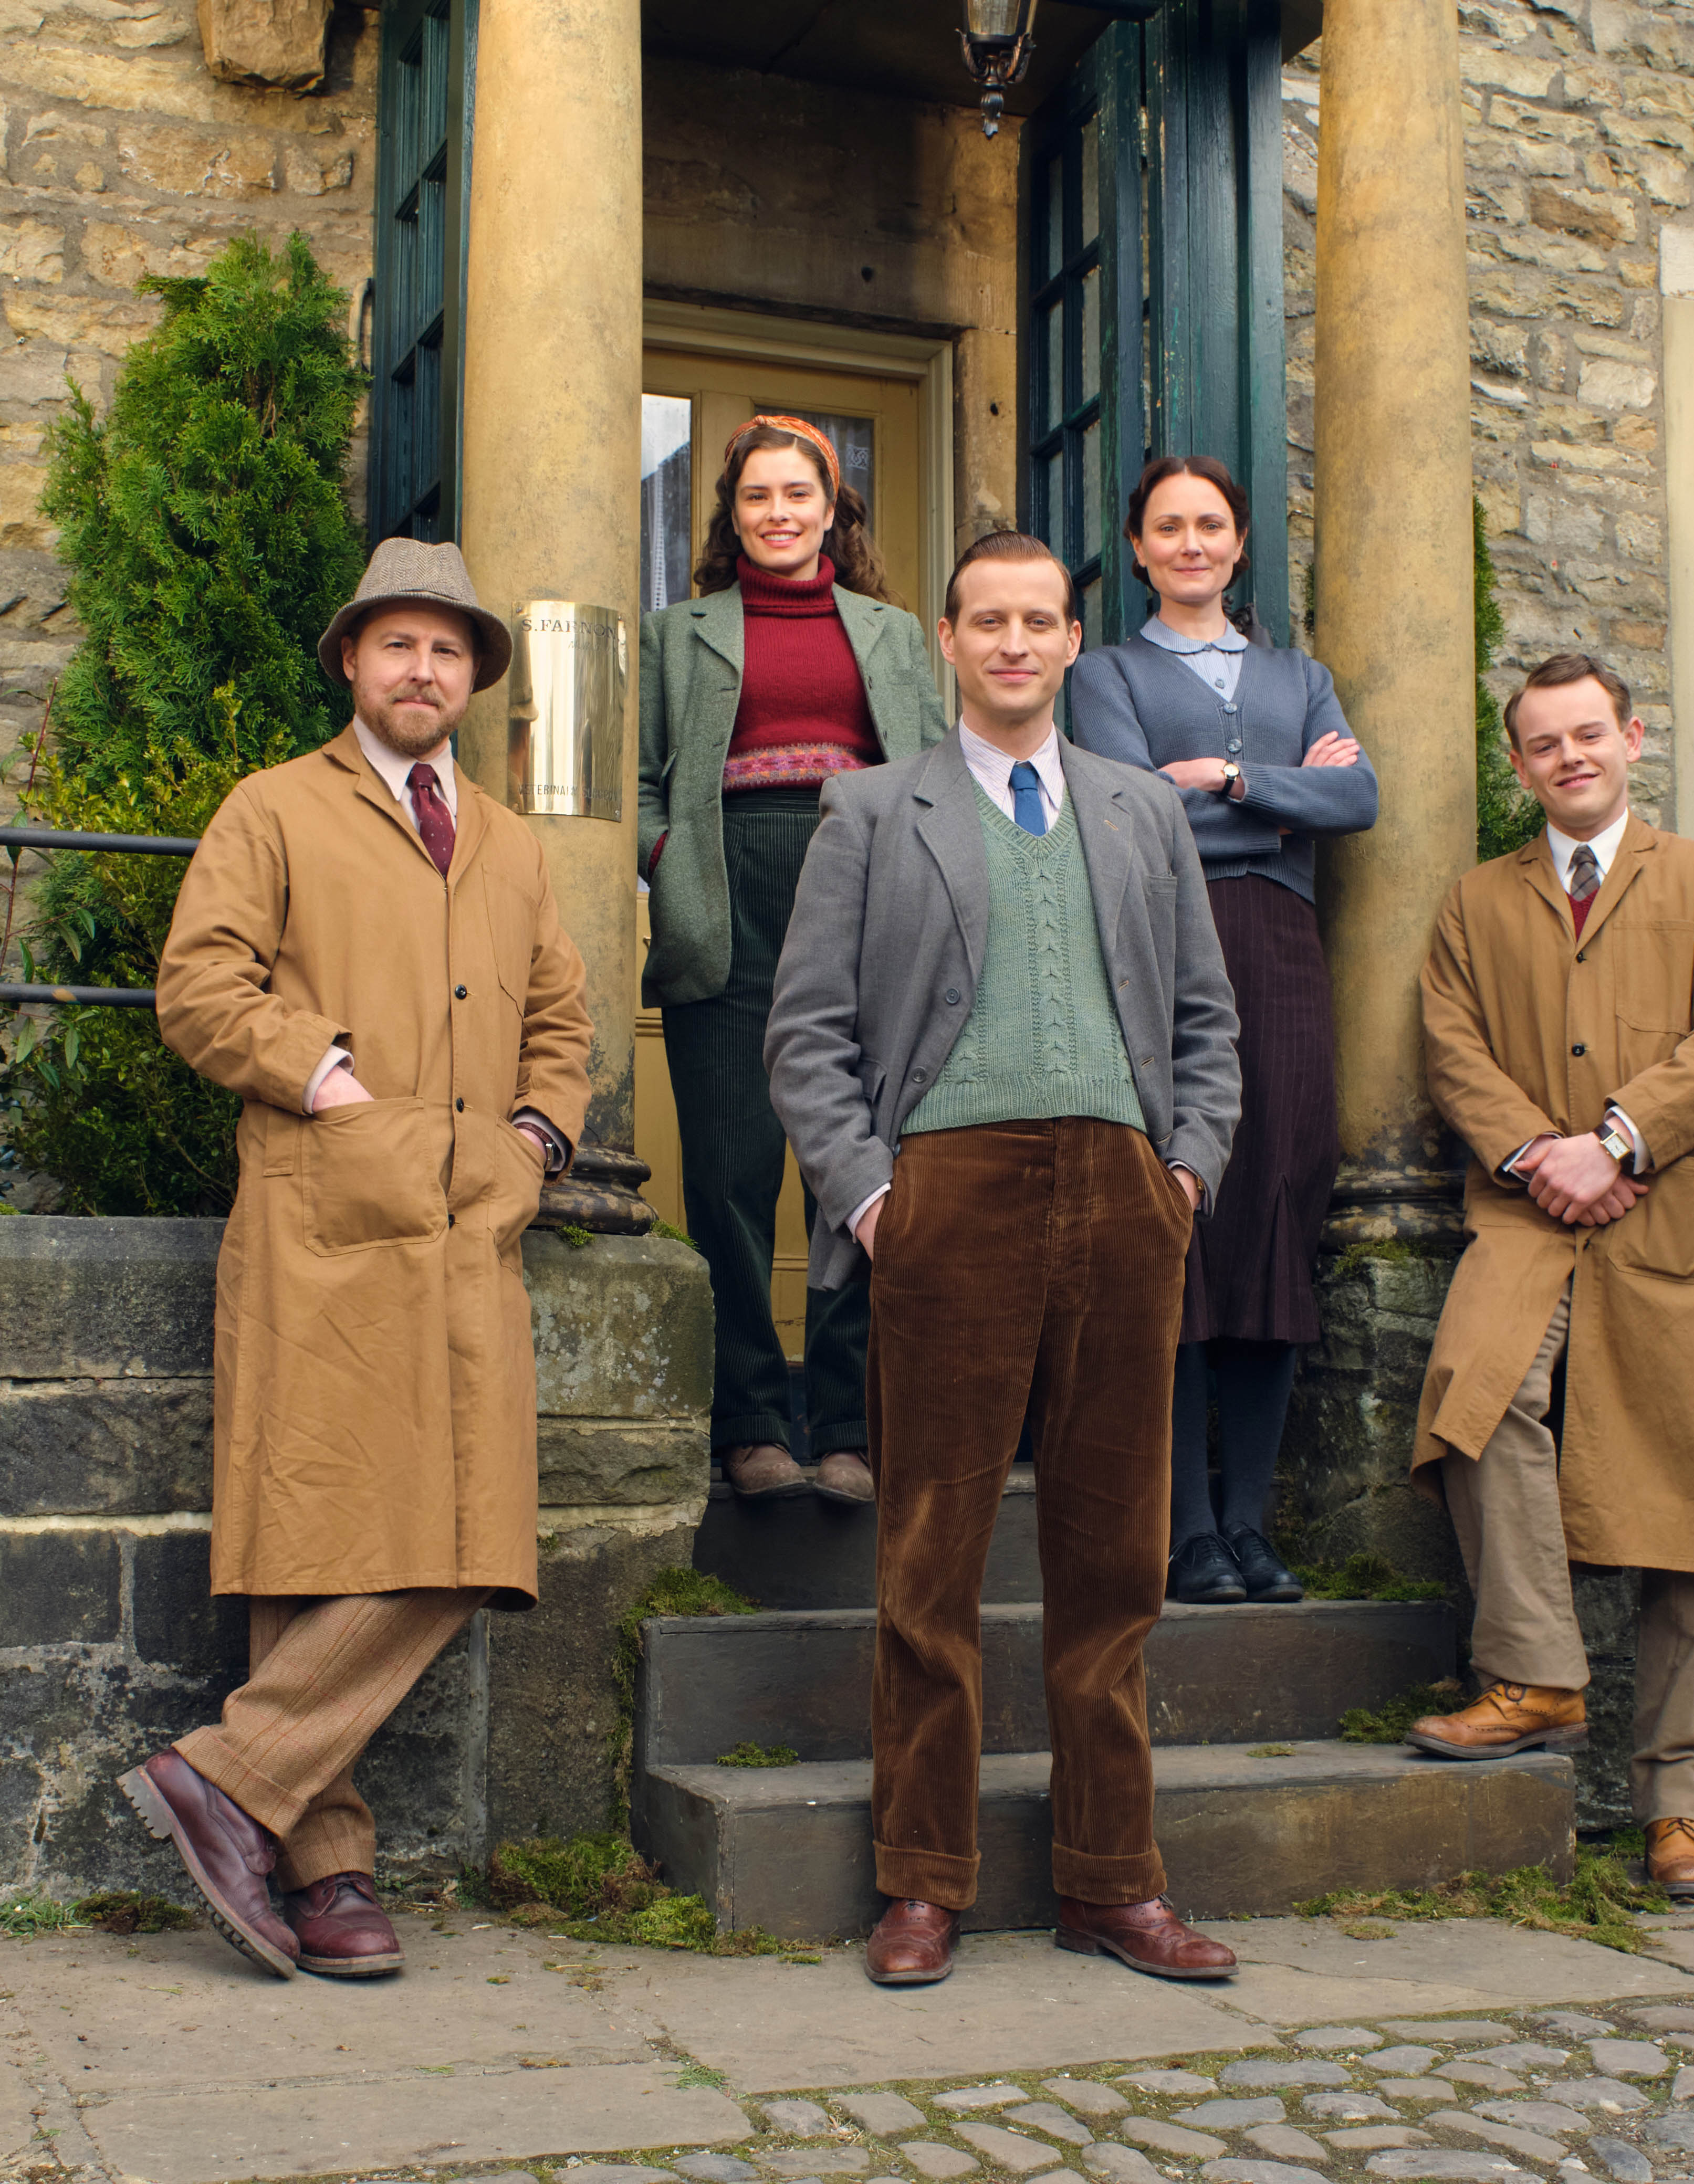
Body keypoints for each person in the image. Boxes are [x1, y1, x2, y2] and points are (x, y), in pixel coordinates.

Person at [766, 530, 1247, 1988]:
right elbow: (807, 1035)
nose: (1018, 644)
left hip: (1121, 1195)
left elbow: (1208, 1022)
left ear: (1070, 638)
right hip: (947, 1198)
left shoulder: (1136, 812)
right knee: (931, 1560)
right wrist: (871, 1197)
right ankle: (923, 1880)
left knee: (1116, 1562)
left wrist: (1184, 1176)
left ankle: (1115, 1880)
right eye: (991, 621)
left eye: (1041, 621)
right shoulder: (867, 810)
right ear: (948, 638)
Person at [126, 537, 594, 1980]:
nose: (422, 671)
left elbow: (563, 1027)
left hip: (473, 1227)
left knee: (470, 1527)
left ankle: (227, 1775)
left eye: (448, 652)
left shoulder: (512, 844)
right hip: (324, 1216)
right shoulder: (274, 812)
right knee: (318, 1527)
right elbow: (198, 987)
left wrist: (535, 1142)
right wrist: (323, 1081)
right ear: (351, 660)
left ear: (474, 682)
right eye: (398, 645)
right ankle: (326, 1871)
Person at [1399, 652, 1694, 1906]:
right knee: (1473, 1396)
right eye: (1544, 742)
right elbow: (1450, 1042)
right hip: (1529, 1211)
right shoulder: (1478, 901)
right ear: (1518, 764)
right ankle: (1536, 1672)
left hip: (1675, 1214)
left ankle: (1683, 1809)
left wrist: (1620, 1139)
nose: (1570, 756)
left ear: (1632, 738)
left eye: (1590, 734)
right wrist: (1542, 1153)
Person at [1069, 455, 1378, 1609]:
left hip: (1287, 955)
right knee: (1178, 1215)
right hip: (1168, 944)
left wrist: (1234, 781)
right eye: (1168, 527)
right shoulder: (1106, 673)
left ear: (1240, 545)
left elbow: (1359, 801)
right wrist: (1284, 791)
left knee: (1276, 1212)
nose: (1191, 543)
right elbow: (1134, 809)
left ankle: (1250, 1523)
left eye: (1211, 525)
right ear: (1140, 550)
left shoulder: (1303, 676)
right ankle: (1186, 1530)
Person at [640, 416, 944, 1507]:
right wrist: (667, 859)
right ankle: (753, 1424)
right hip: (725, 905)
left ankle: (852, 1426)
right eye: (757, 496)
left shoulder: (897, 634)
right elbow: (636, 783)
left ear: (834, 508)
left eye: (798, 494)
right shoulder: (677, 634)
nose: (779, 513)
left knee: (856, 1173)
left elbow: (937, 775)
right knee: (730, 1176)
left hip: (864, 903)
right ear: (731, 514)